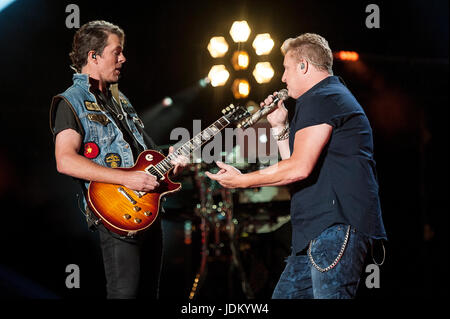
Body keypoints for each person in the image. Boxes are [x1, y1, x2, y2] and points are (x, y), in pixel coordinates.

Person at [206, 33, 387, 299]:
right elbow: (296, 163)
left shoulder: (322, 97)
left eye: (286, 68)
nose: (282, 77)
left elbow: (299, 168)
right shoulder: (326, 97)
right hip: (318, 232)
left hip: (334, 228)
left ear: (303, 66)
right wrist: (280, 127)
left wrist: (242, 180)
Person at [49, 20, 187, 299]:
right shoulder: (70, 101)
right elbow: (65, 161)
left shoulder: (120, 100)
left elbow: (143, 155)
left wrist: (172, 160)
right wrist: (127, 178)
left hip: (147, 212)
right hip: (116, 214)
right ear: (94, 56)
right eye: (117, 52)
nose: (123, 59)